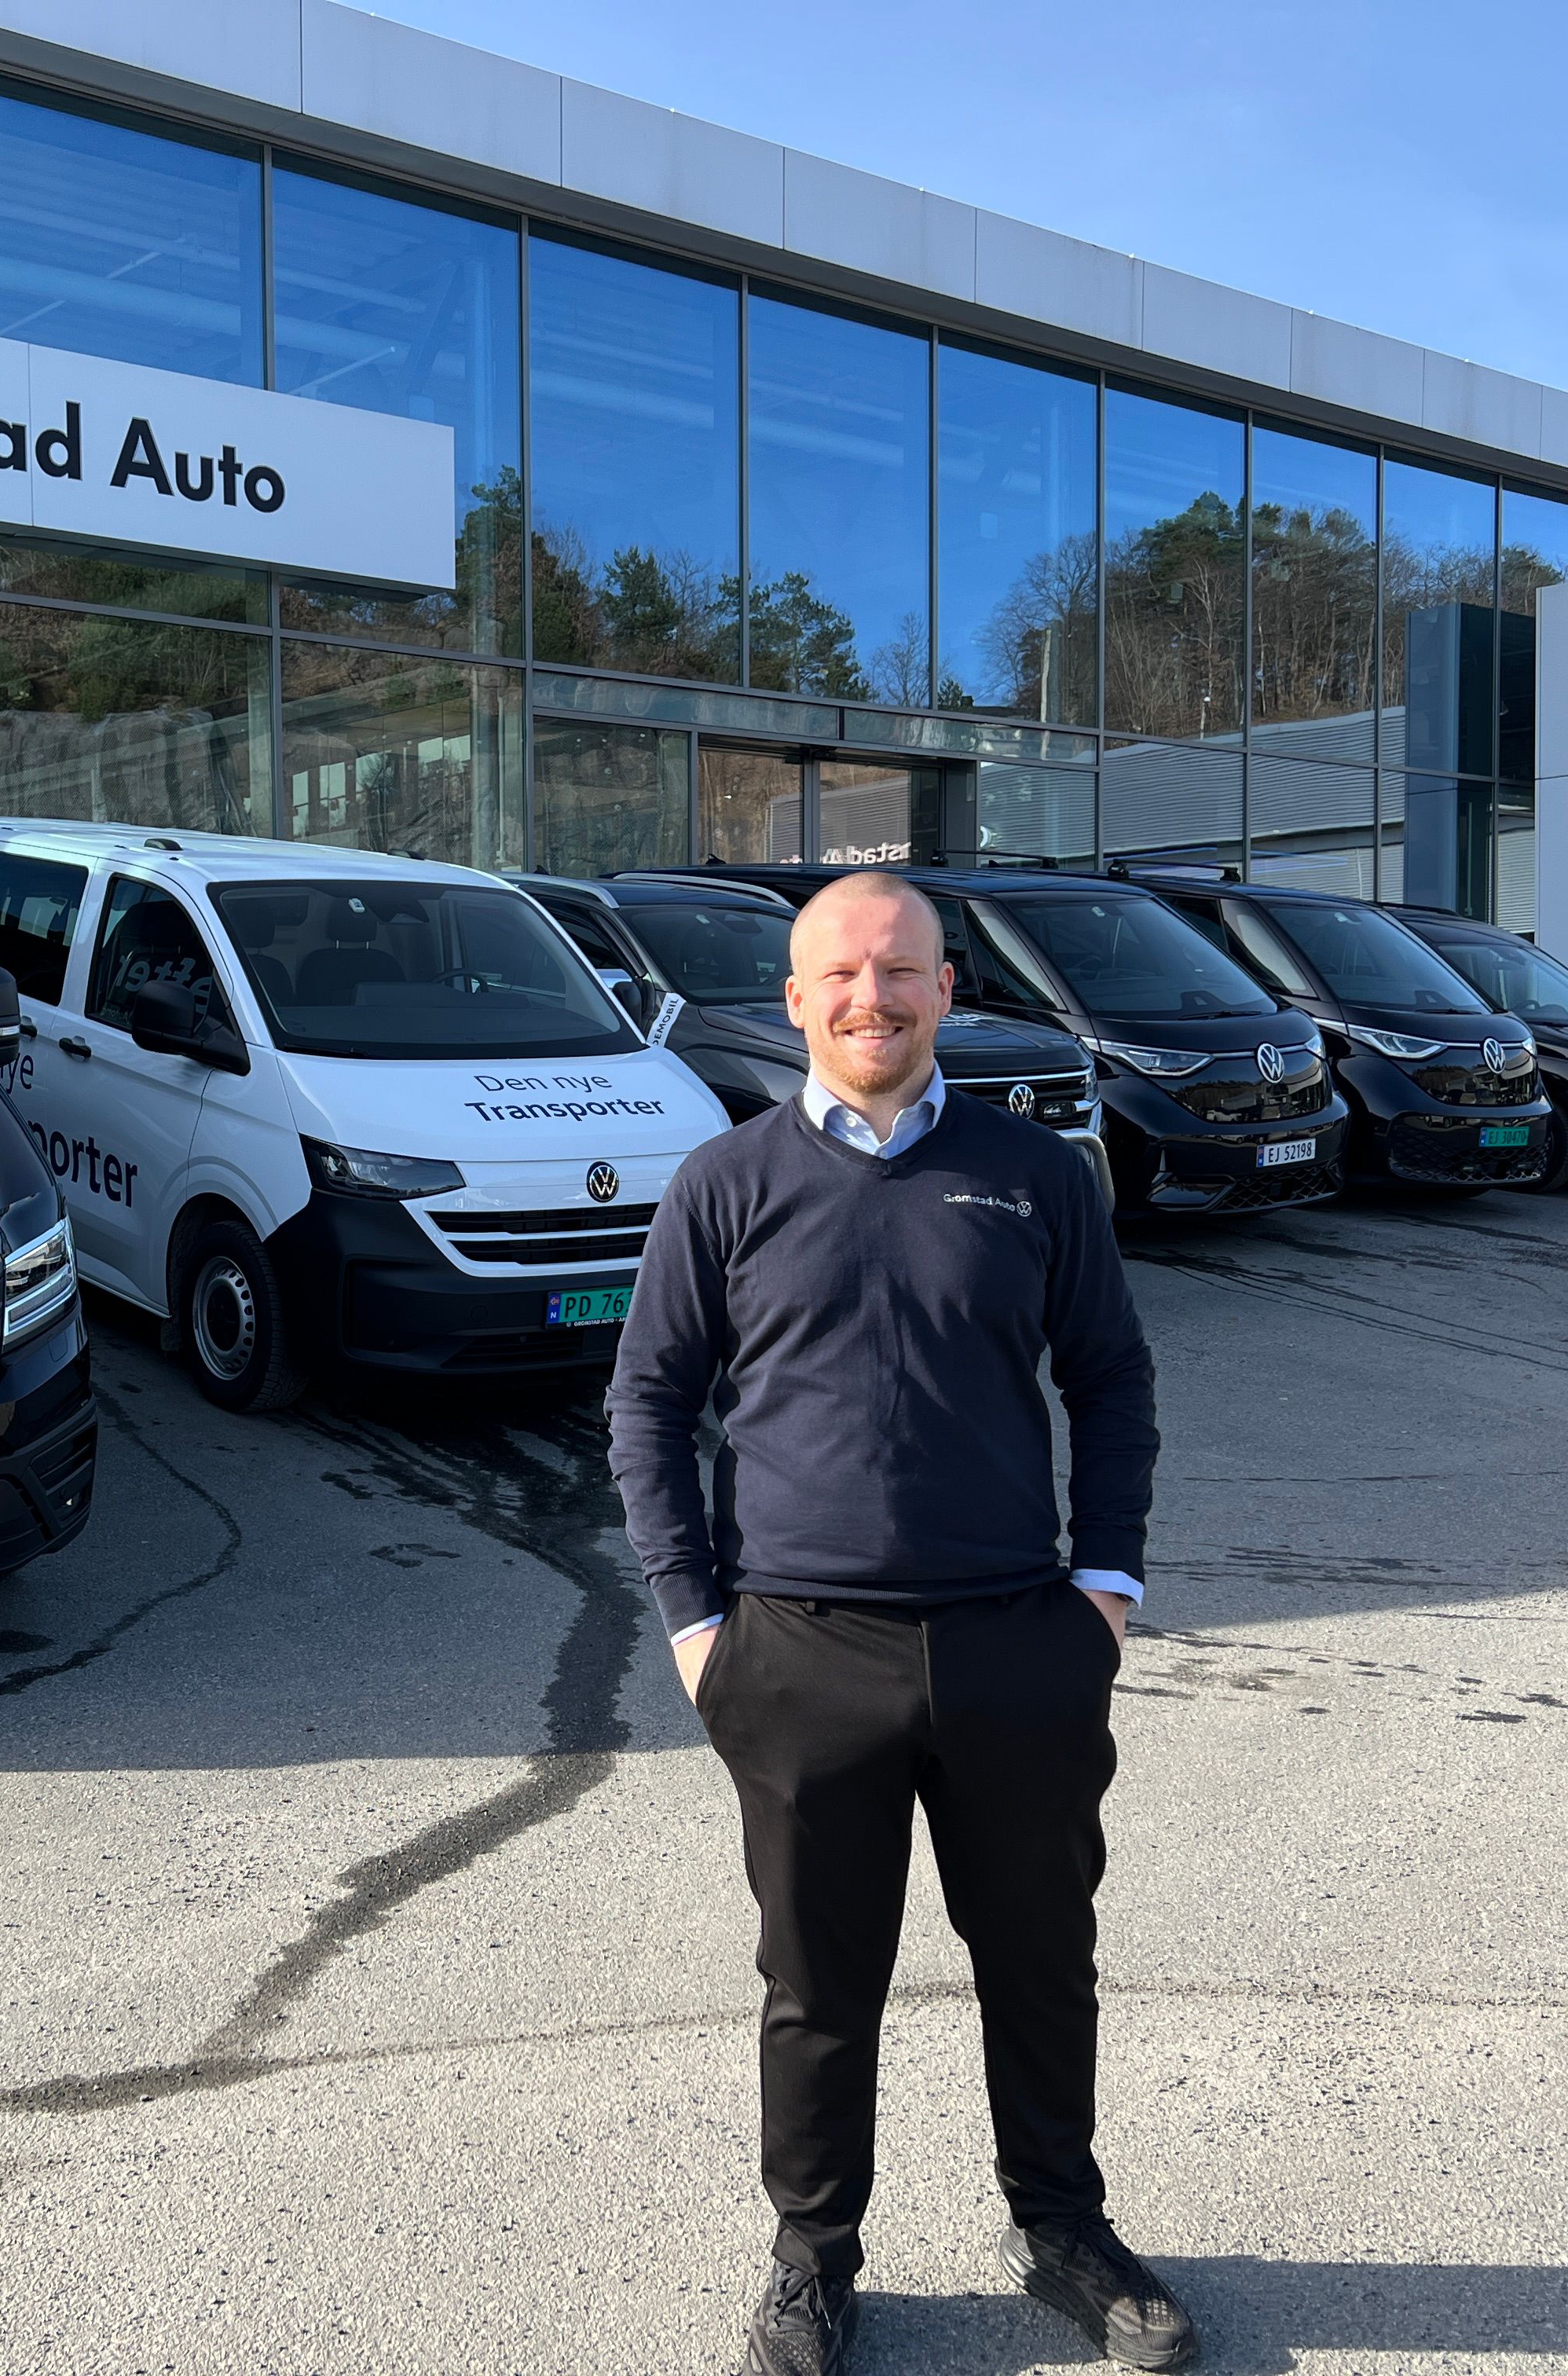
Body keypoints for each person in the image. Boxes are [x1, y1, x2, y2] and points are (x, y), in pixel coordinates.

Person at [606, 871, 1196, 2374]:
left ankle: (1061, 2226)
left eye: (903, 970)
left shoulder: (1036, 1172)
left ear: (946, 990)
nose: (872, 997)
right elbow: (649, 1403)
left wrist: (1106, 1590)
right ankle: (813, 2260)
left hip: (1017, 1643)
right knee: (818, 1985)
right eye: (843, 974)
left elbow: (1110, 1378)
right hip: (797, 1654)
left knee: (1041, 1960)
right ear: (796, 1001)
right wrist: (694, 1625)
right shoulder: (724, 1183)